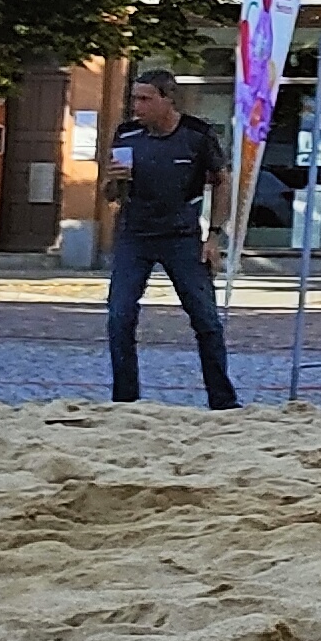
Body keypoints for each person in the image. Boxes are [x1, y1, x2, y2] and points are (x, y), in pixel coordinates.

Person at [101, 69, 242, 411]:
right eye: (134, 98)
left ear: (168, 99)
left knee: (205, 319)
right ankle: (125, 401)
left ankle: (223, 401)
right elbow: (110, 195)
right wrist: (113, 180)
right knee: (119, 316)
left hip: (182, 237)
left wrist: (214, 235)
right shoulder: (127, 134)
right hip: (134, 235)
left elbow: (222, 182)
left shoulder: (197, 134)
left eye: (145, 99)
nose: (137, 106)